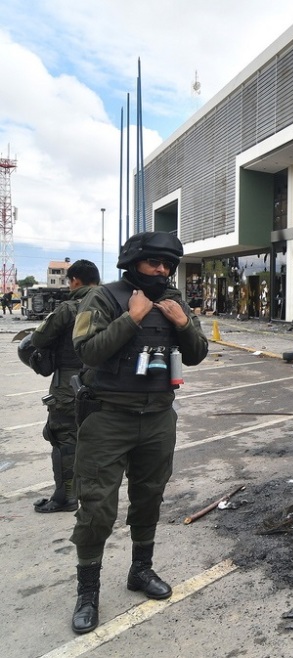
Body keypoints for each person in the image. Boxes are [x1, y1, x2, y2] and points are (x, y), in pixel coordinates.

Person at [69, 232, 208, 634]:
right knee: (97, 507)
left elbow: (196, 354)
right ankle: (88, 592)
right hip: (108, 418)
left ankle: (140, 570)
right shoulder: (104, 298)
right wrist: (131, 317)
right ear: (134, 263)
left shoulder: (175, 301)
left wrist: (182, 324)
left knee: (149, 496)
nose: (162, 270)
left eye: (168, 264)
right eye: (154, 263)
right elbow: (88, 352)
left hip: (158, 417)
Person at [30, 260, 101, 513]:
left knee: (63, 438)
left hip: (69, 386)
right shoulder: (113, 306)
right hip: (104, 384)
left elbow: (38, 338)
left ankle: (65, 497)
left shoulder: (68, 308)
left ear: (74, 281)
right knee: (94, 439)